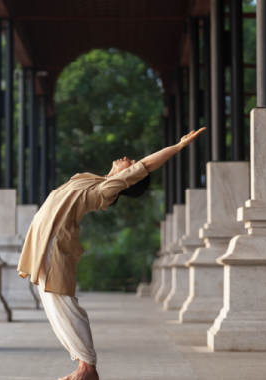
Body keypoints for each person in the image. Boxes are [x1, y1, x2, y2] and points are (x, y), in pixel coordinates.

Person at [18, 127, 207, 380]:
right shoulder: (96, 180)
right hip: (43, 238)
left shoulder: (109, 189)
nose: (128, 158)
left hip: (55, 242)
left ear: (130, 177)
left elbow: (147, 165)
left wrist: (179, 146)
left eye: (131, 164)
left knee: (62, 302)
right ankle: (83, 364)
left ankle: (88, 368)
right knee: (54, 304)